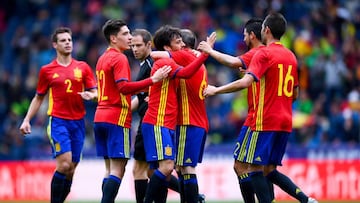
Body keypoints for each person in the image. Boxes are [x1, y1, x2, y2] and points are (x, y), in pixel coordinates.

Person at [203, 13, 318, 203]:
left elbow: (245, 82)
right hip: (285, 120)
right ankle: (306, 200)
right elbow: (295, 94)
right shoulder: (290, 55)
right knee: (269, 170)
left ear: (266, 30)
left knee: (252, 168)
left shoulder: (263, 53)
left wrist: (216, 90)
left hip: (263, 119)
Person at [93, 19, 171, 203]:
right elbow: (124, 88)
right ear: (113, 38)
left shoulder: (102, 58)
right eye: (125, 34)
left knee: (109, 169)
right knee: (118, 170)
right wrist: (153, 80)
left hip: (99, 117)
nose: (129, 38)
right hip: (116, 118)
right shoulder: (119, 58)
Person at [19, 27, 98, 203]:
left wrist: (91, 95)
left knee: (71, 169)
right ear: (55, 45)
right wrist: (26, 120)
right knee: (63, 164)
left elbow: (95, 92)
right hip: (58, 121)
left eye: (69, 40)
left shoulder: (82, 67)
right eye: (63, 40)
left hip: (78, 123)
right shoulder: (47, 70)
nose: (68, 43)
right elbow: (38, 97)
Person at [141, 25, 209, 203]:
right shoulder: (197, 63)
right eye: (175, 42)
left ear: (185, 46)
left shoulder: (185, 57)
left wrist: (143, 48)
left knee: (183, 168)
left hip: (187, 121)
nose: (179, 46)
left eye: (180, 42)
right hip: (193, 121)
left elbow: (153, 55)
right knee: (177, 168)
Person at [130, 28, 181, 203]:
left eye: (138, 45)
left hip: (152, 120)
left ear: (149, 45)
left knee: (144, 168)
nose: (134, 49)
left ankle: (192, 194)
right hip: (150, 121)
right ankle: (192, 194)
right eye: (132, 46)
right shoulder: (145, 65)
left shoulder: (154, 63)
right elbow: (141, 96)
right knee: (152, 170)